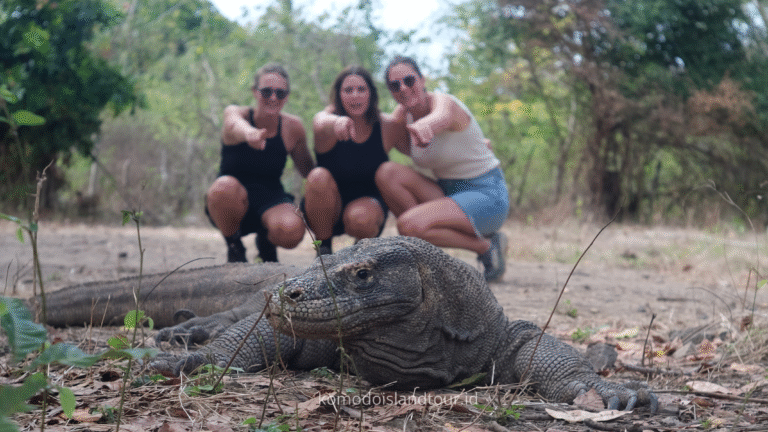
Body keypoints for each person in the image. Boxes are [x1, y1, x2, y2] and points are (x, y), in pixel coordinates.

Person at [375, 55, 510, 282]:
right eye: (394, 85)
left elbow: (442, 117)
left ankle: (486, 246)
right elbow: (374, 131)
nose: (403, 88)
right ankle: (423, 254)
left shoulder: (444, 102)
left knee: (408, 224)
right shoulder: (402, 117)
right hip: (448, 192)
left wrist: (425, 125)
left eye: (409, 80)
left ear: (422, 79)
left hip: (487, 194)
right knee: (386, 173)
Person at [205, 63, 314, 263]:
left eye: (280, 93)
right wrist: (250, 134)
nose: (273, 97)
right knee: (222, 187)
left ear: (287, 97)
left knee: (292, 230)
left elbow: (308, 170)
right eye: (266, 91)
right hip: (232, 198)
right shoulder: (237, 114)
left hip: (271, 197)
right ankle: (234, 245)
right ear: (255, 92)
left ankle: (266, 243)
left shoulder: (293, 127)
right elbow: (233, 125)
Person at [303, 66, 408, 255]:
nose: (355, 95)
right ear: (339, 95)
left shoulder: (386, 126)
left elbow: (417, 149)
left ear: (371, 94)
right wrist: (337, 122)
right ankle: (324, 252)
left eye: (361, 89)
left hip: (367, 206)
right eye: (348, 90)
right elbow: (320, 120)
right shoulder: (326, 122)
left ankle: (358, 256)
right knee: (317, 176)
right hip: (327, 207)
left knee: (360, 218)